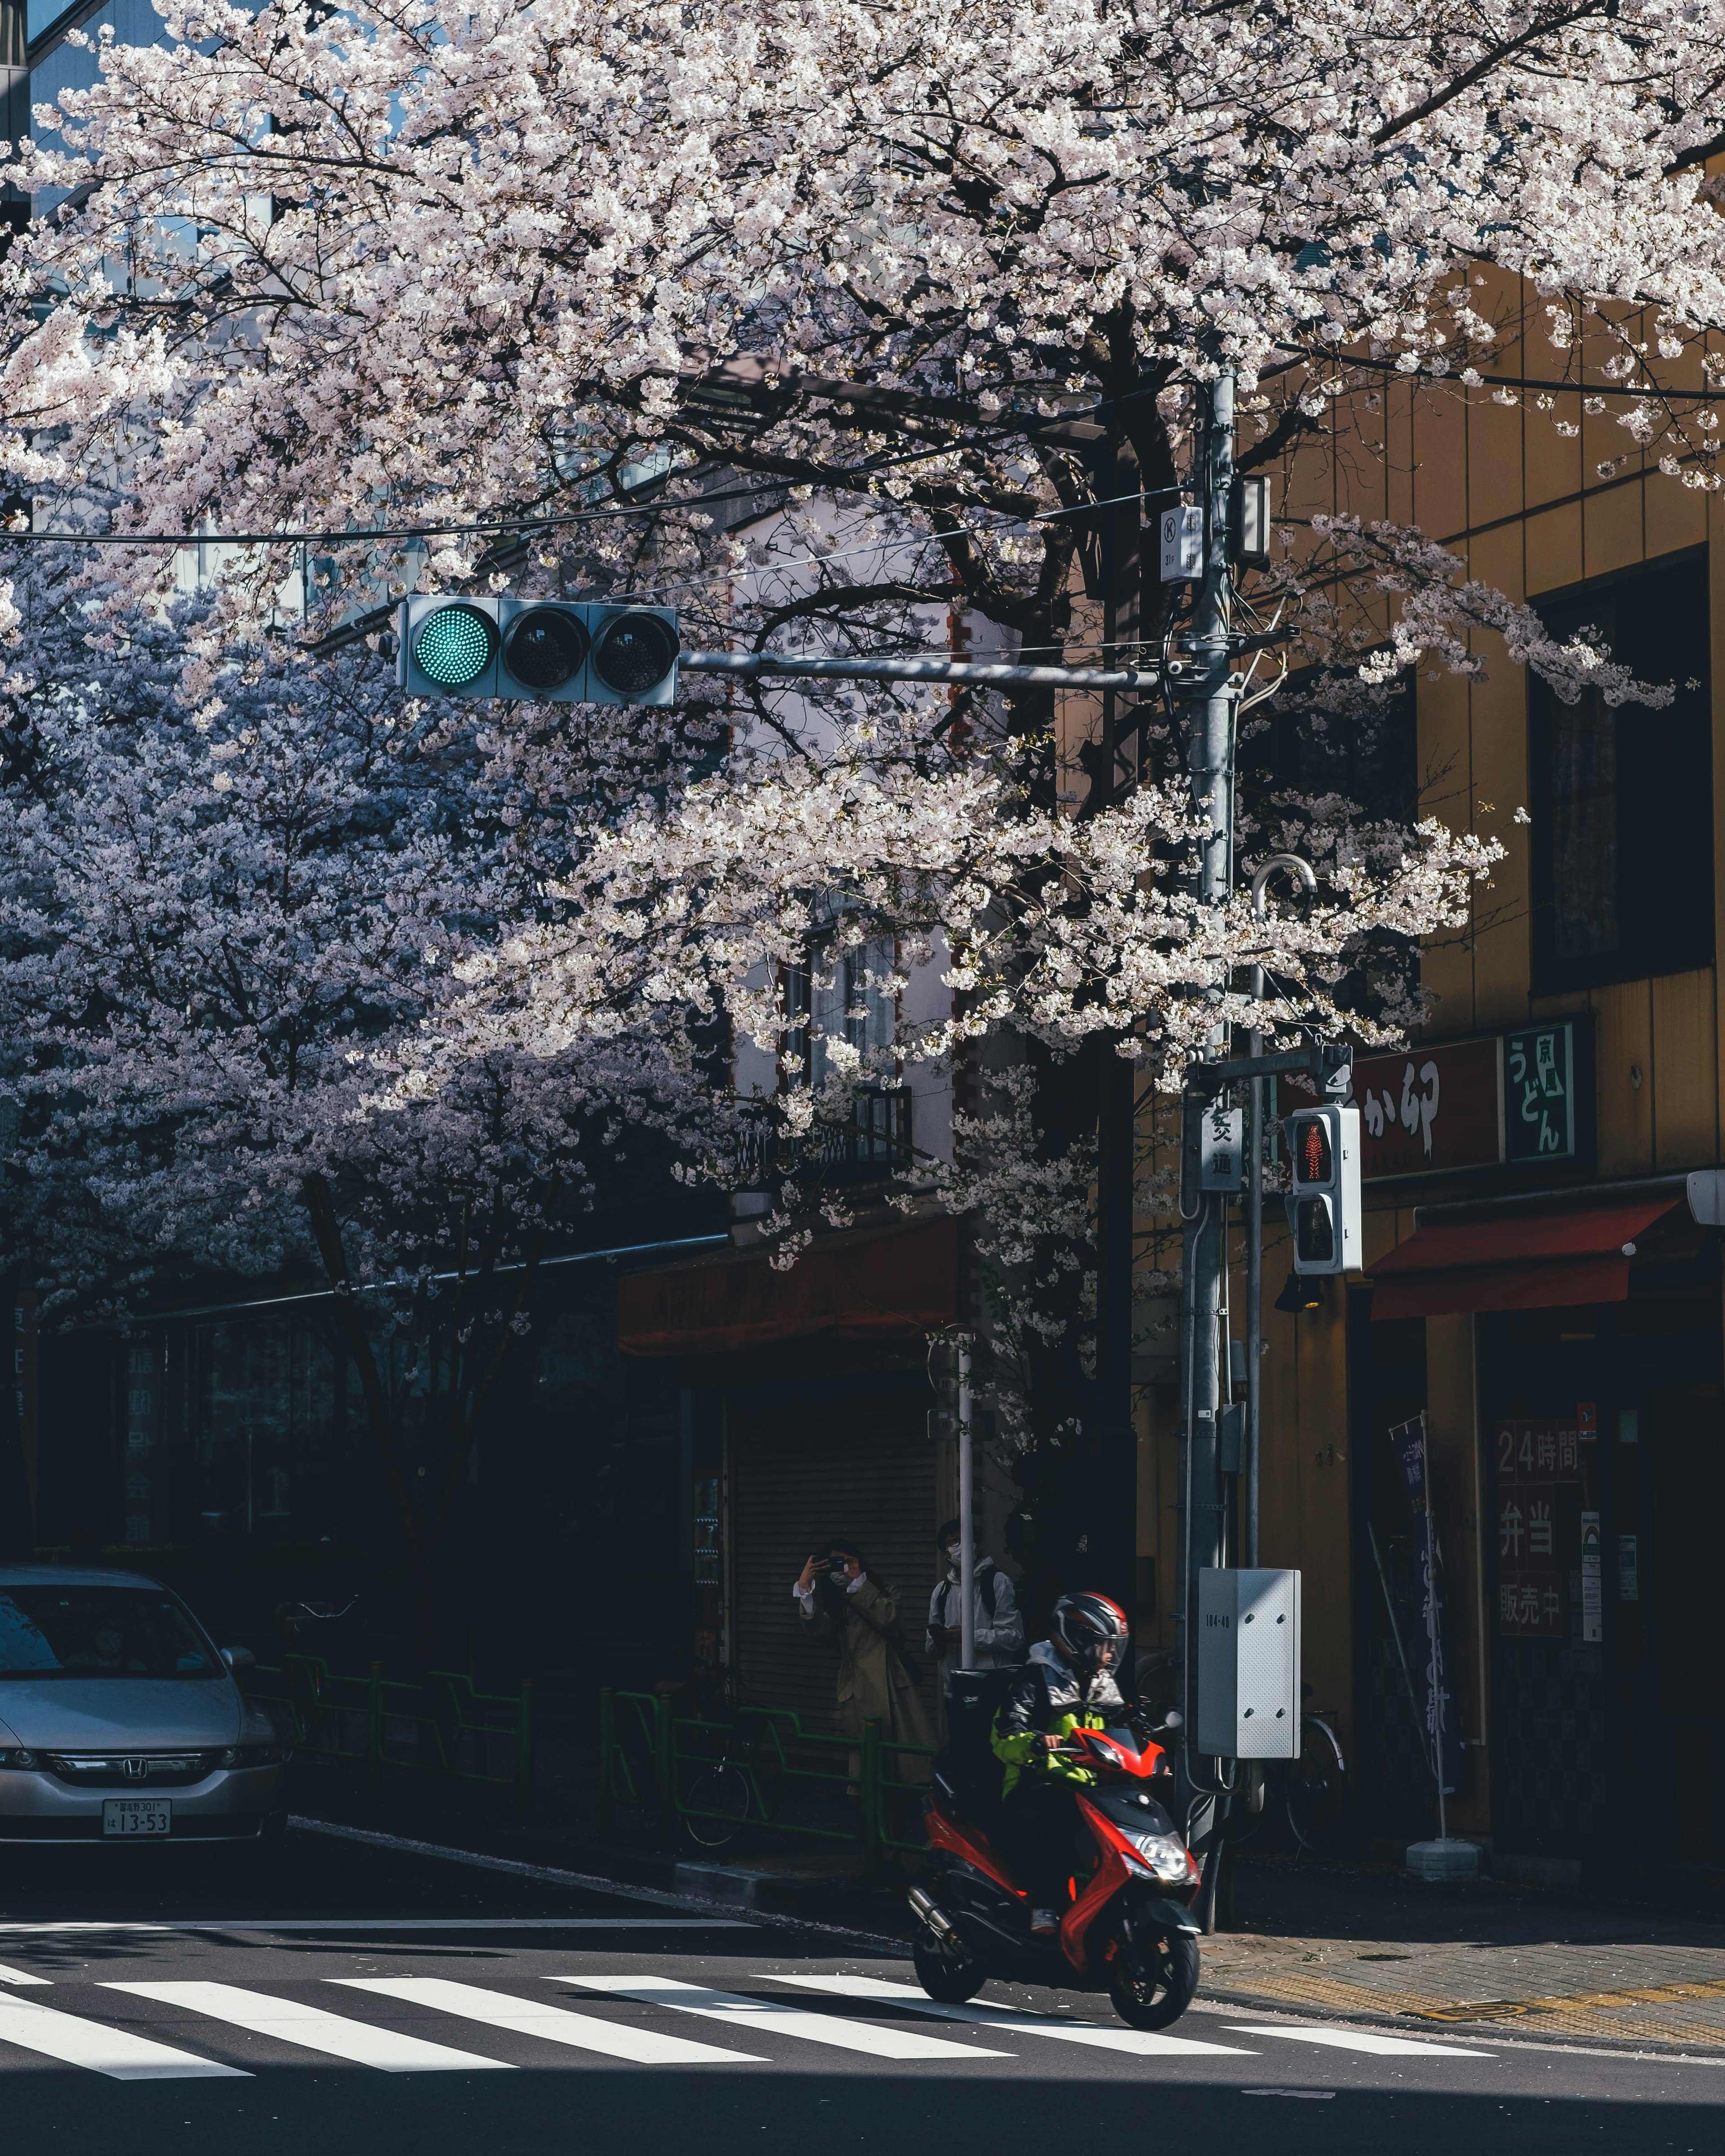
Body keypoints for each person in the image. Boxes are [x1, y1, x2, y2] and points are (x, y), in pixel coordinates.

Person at [990, 1590, 1129, 1937]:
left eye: (1115, 1645)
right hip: (1034, 1781)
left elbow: (1123, 1731)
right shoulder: (1037, 1677)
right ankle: (1045, 1905)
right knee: (1061, 1811)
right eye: (1104, 1644)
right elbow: (1004, 1734)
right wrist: (1037, 1742)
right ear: (1078, 1638)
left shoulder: (1103, 1684)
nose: (1112, 1653)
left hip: (1091, 1786)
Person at [793, 1539, 933, 1780]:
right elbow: (818, 1631)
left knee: (907, 1764)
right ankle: (873, 1809)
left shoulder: (885, 1591)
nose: (841, 1569)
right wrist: (805, 1589)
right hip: (857, 1685)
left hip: (893, 1683)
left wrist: (859, 1585)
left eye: (845, 1562)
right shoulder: (833, 1603)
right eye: (834, 1564)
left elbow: (889, 1618)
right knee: (869, 1765)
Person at [925, 1518, 1025, 1674]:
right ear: (945, 1553)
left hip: (992, 1684)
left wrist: (969, 1637)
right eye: (954, 1541)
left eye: (967, 1539)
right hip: (955, 1689)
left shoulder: (998, 1582)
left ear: (977, 1546)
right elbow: (931, 1650)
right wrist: (940, 1640)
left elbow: (1015, 1637)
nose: (963, 1545)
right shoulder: (941, 1592)